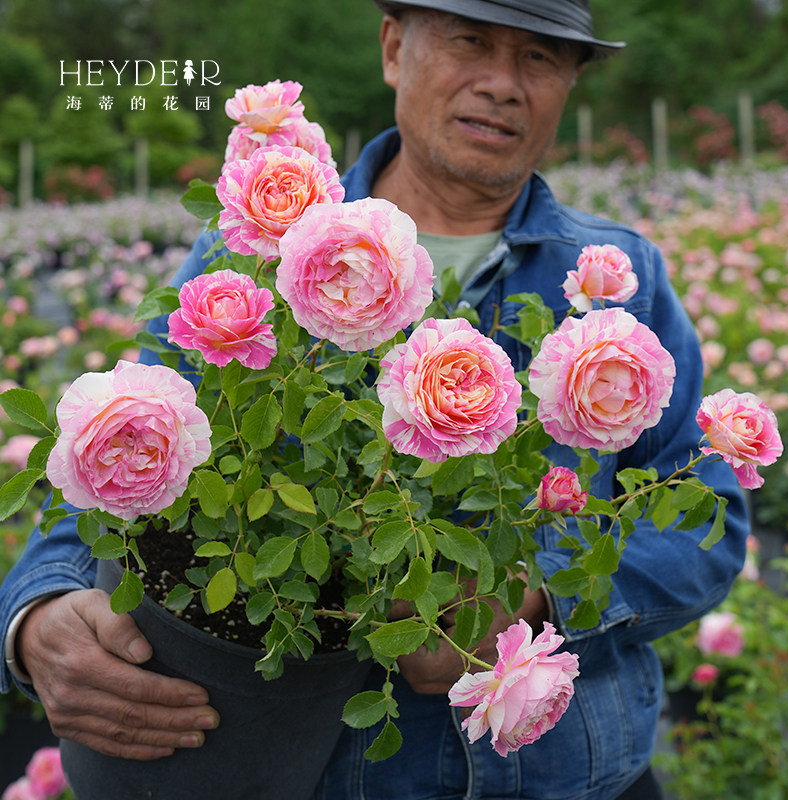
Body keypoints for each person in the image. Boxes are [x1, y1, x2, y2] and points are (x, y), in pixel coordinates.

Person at [1, 1, 749, 798]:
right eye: (471, 41)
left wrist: (535, 597)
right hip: (335, 771)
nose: (502, 83)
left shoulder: (621, 285)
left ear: (569, 83)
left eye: (539, 59)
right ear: (394, 48)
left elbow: (706, 513)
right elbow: (116, 451)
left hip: (570, 777)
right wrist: (36, 615)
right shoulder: (252, 260)